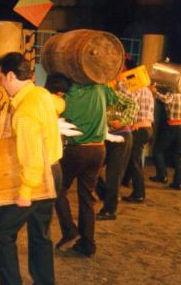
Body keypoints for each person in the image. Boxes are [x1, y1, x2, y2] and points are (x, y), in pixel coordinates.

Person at [0, 53, 63, 285]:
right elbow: (59, 105)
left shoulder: (26, 111)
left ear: (9, 76)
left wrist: (25, 190)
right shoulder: (41, 95)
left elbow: (31, 159)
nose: (0, 85)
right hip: (54, 172)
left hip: (37, 177)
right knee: (40, 233)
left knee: (1, 230)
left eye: (1, 79)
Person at [54, 80, 129, 257]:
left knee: (58, 188)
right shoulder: (102, 88)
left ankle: (69, 229)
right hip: (98, 149)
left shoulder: (69, 90)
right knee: (87, 197)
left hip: (76, 149)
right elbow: (125, 101)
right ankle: (88, 244)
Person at [95, 84, 137, 220]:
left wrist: (123, 121)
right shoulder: (94, 96)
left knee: (114, 174)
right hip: (106, 137)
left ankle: (110, 210)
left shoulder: (111, 93)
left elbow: (133, 104)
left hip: (121, 136)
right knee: (93, 169)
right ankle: (107, 196)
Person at [150, 85, 181, 190]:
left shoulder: (171, 95)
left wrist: (154, 92)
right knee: (178, 155)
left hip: (174, 127)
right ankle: (178, 183)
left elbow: (165, 99)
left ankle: (162, 176)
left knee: (157, 150)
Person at [123, 85, 155, 202]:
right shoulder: (147, 90)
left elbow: (130, 103)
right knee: (134, 161)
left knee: (134, 162)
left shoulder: (136, 89)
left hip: (139, 128)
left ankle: (138, 194)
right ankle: (128, 184)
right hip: (148, 128)